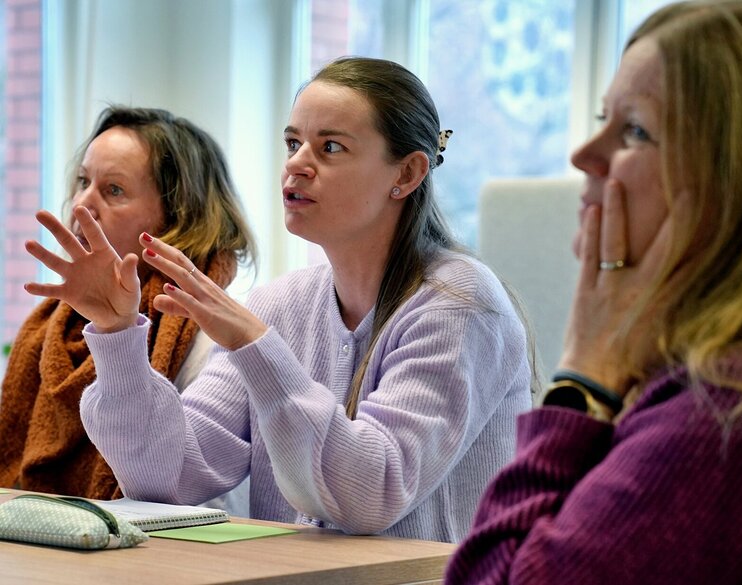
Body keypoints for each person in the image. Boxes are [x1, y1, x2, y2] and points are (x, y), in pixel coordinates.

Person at [24, 57, 533, 542]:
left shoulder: (460, 304)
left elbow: (372, 494)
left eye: (330, 147)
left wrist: (255, 344)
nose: (297, 166)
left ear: (406, 174)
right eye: (293, 143)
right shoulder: (281, 303)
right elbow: (172, 476)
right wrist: (116, 336)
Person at [445, 1, 742, 583]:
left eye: (634, 129)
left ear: (733, 190)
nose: (583, 154)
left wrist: (583, 374)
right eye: (604, 116)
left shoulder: (723, 418)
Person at [0, 106, 256, 515]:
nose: (83, 203)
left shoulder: (219, 335)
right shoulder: (50, 325)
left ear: (178, 220)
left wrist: (118, 330)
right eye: (84, 181)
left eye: (113, 190)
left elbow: (205, 499)